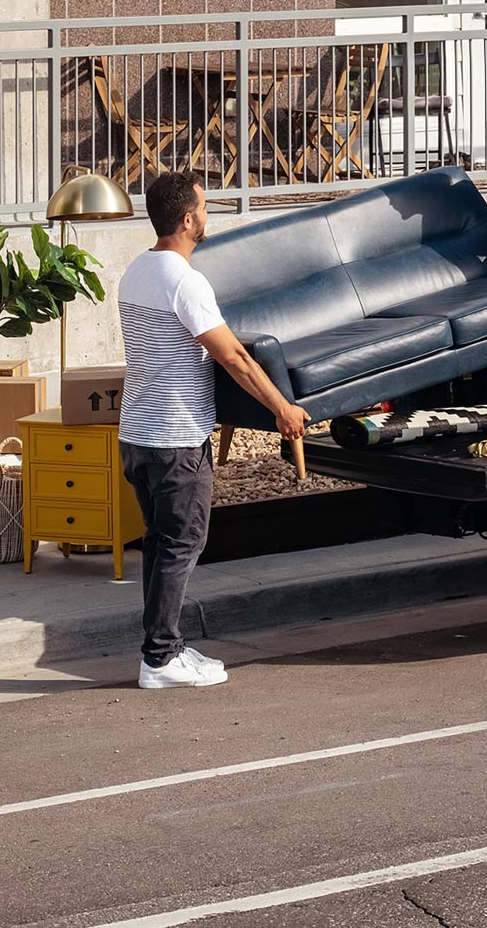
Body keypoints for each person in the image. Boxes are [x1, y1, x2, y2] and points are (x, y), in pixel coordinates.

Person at [118, 170, 308, 689]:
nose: (208, 214)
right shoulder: (185, 281)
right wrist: (282, 408)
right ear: (187, 219)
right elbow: (236, 358)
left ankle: (165, 648)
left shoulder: (136, 270)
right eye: (204, 207)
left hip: (137, 432)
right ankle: (159, 659)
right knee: (184, 542)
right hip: (175, 436)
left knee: (161, 543)